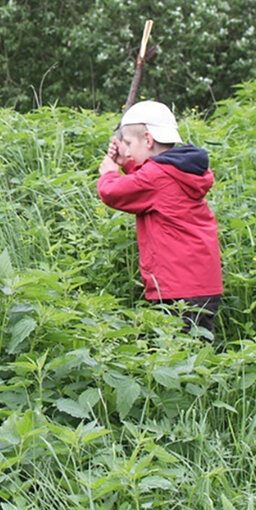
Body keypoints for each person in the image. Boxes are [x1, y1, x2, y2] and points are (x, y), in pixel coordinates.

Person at [97, 100, 223, 338]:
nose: (127, 148)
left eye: (128, 143)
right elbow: (149, 185)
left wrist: (110, 173)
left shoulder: (157, 176)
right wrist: (128, 163)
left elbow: (113, 192)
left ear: (148, 139)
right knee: (193, 352)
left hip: (179, 287)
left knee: (178, 355)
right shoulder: (177, 169)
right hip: (198, 283)